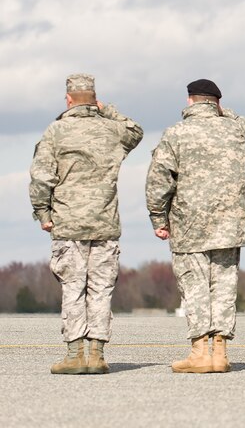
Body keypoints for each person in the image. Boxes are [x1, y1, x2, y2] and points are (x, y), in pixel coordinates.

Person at [29, 73, 143, 375]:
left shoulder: (56, 130)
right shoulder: (112, 130)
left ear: (68, 99)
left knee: (73, 287)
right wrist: (108, 111)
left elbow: (41, 177)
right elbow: (136, 131)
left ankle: (74, 354)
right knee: (101, 289)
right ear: (95, 99)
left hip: (68, 223)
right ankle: (97, 354)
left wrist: (43, 213)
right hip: (105, 222)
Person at [146, 79, 245, 373]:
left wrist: (159, 218)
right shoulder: (237, 130)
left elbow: (158, 181)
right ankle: (220, 352)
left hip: (189, 225)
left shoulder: (176, 134)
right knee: (224, 286)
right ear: (217, 102)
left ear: (189, 101)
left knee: (195, 287)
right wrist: (224, 113)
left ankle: (200, 353)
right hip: (230, 225)